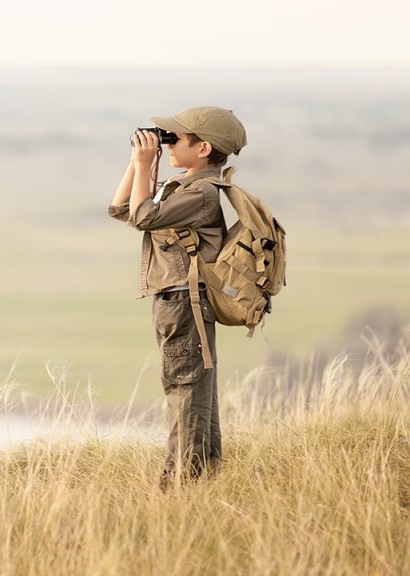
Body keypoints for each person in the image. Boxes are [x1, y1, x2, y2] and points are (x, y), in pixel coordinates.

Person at [106, 106, 247, 491]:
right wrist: (139, 165)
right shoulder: (183, 184)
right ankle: (202, 476)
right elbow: (122, 209)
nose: (167, 144)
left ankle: (180, 482)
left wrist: (144, 160)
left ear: (203, 148)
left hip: (186, 303)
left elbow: (143, 218)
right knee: (192, 386)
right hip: (175, 301)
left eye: (175, 138)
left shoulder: (201, 192)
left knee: (184, 387)